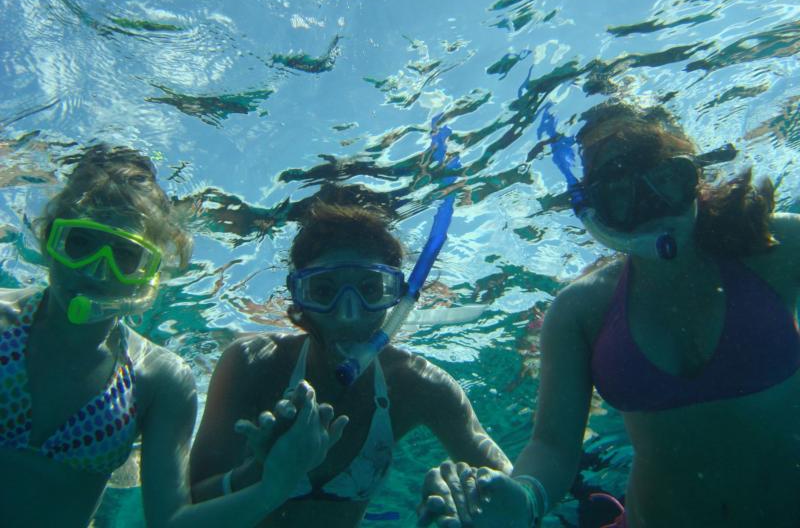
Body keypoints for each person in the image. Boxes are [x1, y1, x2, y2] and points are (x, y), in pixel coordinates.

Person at [418, 101, 800, 528]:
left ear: (695, 177)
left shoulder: (777, 246)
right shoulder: (581, 310)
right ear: (597, 211)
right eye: (622, 193)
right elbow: (553, 447)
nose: (652, 208)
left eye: (667, 181)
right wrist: (524, 499)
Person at [0, 144, 342, 528]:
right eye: (80, 243)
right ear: (50, 241)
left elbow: (172, 521)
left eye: (124, 255)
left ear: (150, 270)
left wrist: (275, 485)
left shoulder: (159, 379)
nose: (97, 270)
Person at [190, 198, 511, 527]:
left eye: (371, 289)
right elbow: (189, 504)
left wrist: (467, 495)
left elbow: (516, 489)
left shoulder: (419, 384)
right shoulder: (253, 363)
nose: (348, 314)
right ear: (298, 298)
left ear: (398, 296)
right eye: (324, 290)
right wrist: (262, 471)